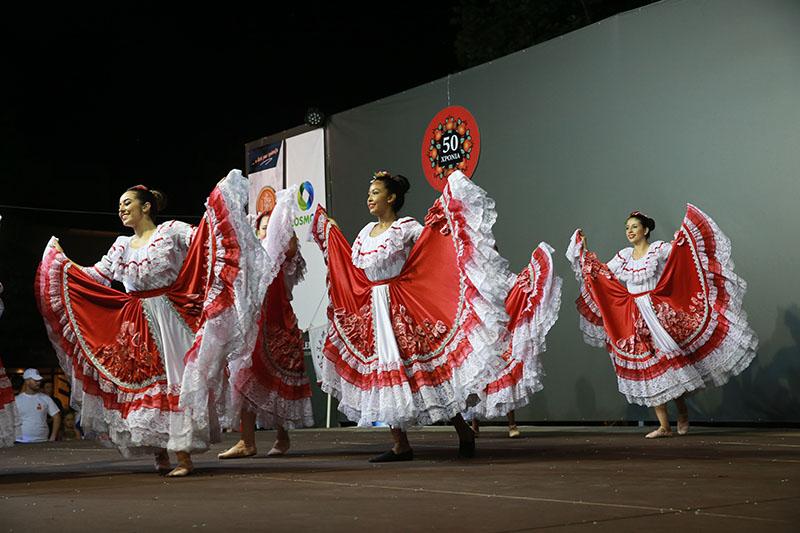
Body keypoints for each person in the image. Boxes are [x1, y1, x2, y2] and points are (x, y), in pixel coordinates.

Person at [35, 170, 271, 475]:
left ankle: (183, 456)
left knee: (177, 381)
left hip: (171, 318)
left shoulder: (171, 232)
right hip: (134, 322)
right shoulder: (121, 245)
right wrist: (64, 265)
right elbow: (97, 276)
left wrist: (219, 211)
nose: (121, 209)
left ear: (146, 206)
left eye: (127, 203)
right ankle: (159, 453)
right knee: (143, 387)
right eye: (119, 205)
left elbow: (203, 242)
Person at [310, 170, 512, 461]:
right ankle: (400, 443)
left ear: (392, 198)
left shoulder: (406, 227)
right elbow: (356, 271)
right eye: (369, 193)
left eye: (376, 192)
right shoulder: (365, 234)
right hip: (374, 310)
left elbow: (435, 247)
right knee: (383, 373)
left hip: (403, 307)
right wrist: (333, 236)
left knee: (426, 371)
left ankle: (462, 430)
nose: (370, 197)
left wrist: (474, 244)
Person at [566, 207, 758, 438]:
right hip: (635, 316)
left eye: (634, 227)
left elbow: (680, 256)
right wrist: (584, 252)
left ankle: (682, 412)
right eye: (627, 228)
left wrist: (683, 240)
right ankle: (664, 426)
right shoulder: (624, 255)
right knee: (650, 370)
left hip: (659, 315)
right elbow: (602, 274)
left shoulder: (657, 249)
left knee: (669, 367)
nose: (630, 231)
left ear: (646, 230)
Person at [219, 187, 314, 459]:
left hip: (276, 323)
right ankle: (246, 441)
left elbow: (290, 249)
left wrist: (283, 231)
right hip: (250, 324)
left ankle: (282, 437)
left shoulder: (280, 256)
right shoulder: (251, 258)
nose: (263, 233)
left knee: (277, 382)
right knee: (244, 380)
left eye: (268, 228)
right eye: (260, 228)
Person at [468, 243, 562, 438]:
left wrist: (531, 276)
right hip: (480, 331)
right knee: (477, 377)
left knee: (505, 373)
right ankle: (474, 424)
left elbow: (517, 286)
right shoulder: (473, 278)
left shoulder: (503, 276)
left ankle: (511, 424)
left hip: (501, 331)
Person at [15, 368, 61, 443]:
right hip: (20, 441)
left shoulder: (46, 398)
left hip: (42, 440)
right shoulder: (16, 400)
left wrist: (53, 437)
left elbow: (57, 417)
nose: (38, 382)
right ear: (27, 381)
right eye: (35, 380)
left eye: (39, 380)